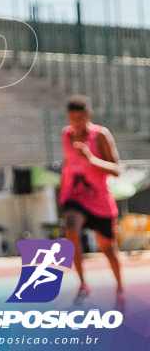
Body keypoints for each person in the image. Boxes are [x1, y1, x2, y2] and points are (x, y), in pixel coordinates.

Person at [60, 94, 123, 308]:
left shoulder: (101, 136)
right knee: (71, 229)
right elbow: (68, 163)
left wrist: (92, 159)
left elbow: (116, 170)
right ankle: (83, 284)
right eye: (72, 118)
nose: (75, 123)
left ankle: (120, 287)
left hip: (99, 201)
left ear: (88, 116)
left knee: (108, 248)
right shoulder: (65, 135)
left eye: (80, 118)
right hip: (74, 198)